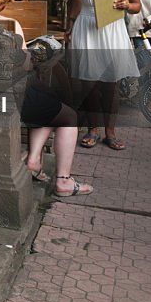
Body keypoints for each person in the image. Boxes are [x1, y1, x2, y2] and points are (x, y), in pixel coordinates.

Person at [66, 0, 141, 151]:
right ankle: (93, 130)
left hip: (111, 30)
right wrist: (70, 24)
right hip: (86, 28)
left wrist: (127, 4)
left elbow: (137, 6)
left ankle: (110, 132)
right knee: (89, 83)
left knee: (110, 84)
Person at [22, 37, 93, 196]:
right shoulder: (10, 25)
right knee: (68, 116)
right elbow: (25, 65)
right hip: (15, 100)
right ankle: (63, 181)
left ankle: (33, 160)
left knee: (48, 103)